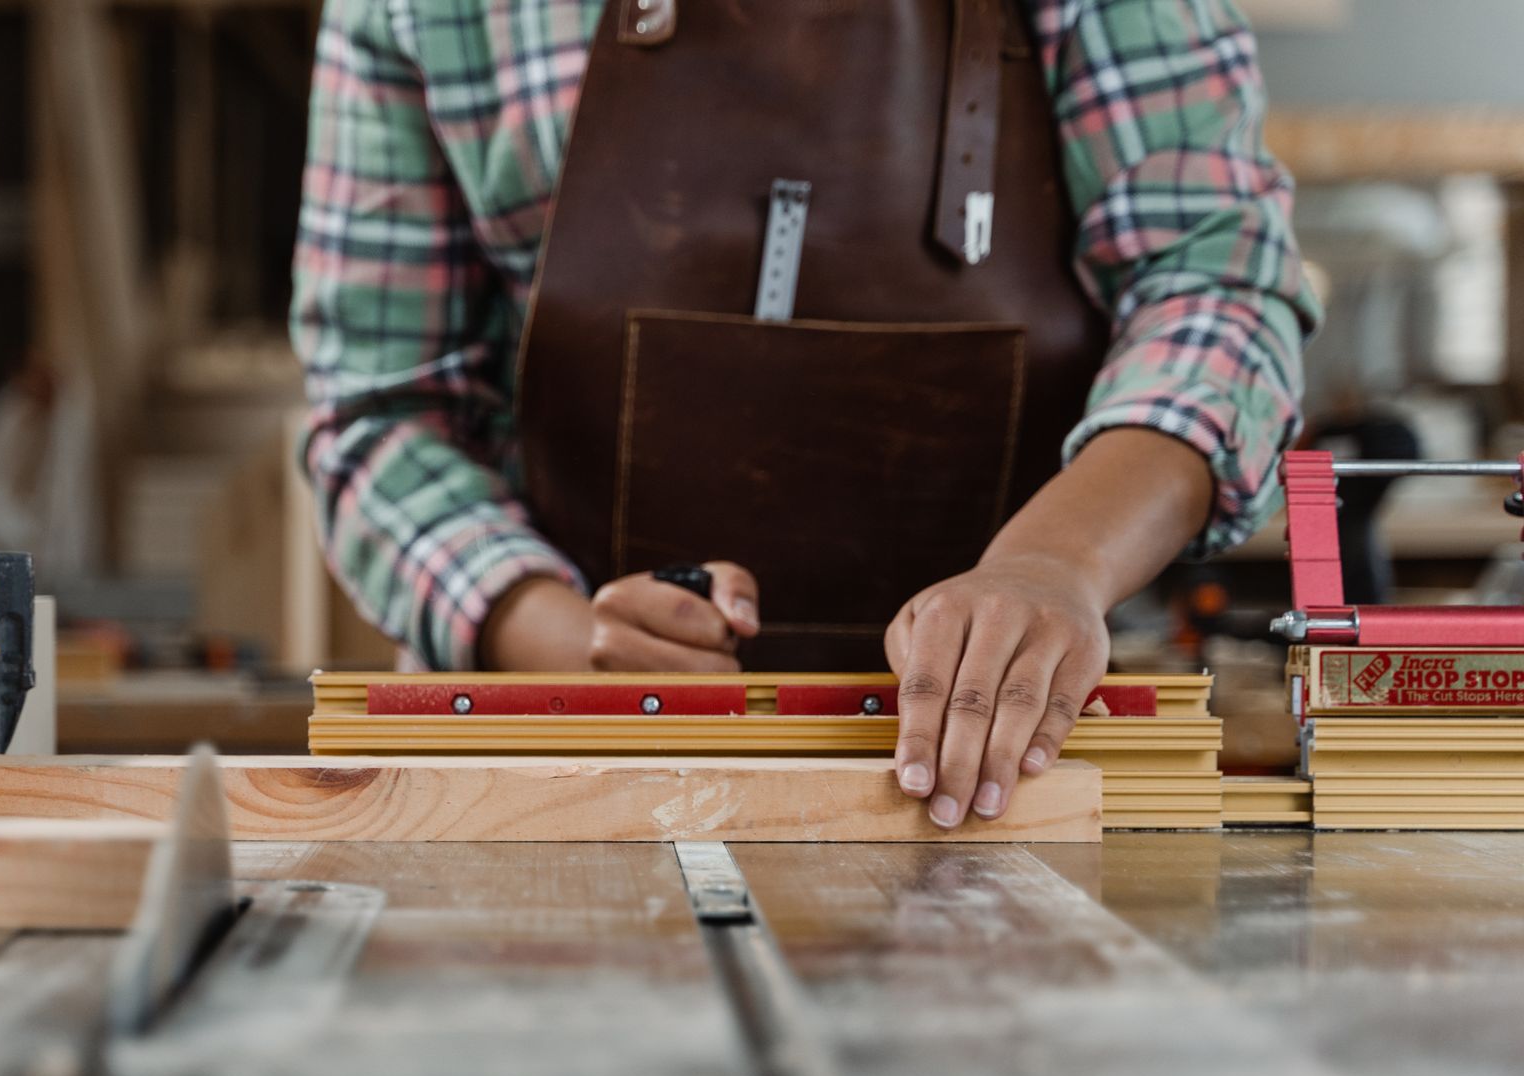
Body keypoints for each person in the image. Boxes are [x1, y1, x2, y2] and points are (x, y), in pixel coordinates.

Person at [291, 0, 1321, 829]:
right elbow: (380, 414)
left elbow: (1215, 288)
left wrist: (1052, 564)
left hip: (1004, 785)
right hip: (564, 786)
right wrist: (565, 639)